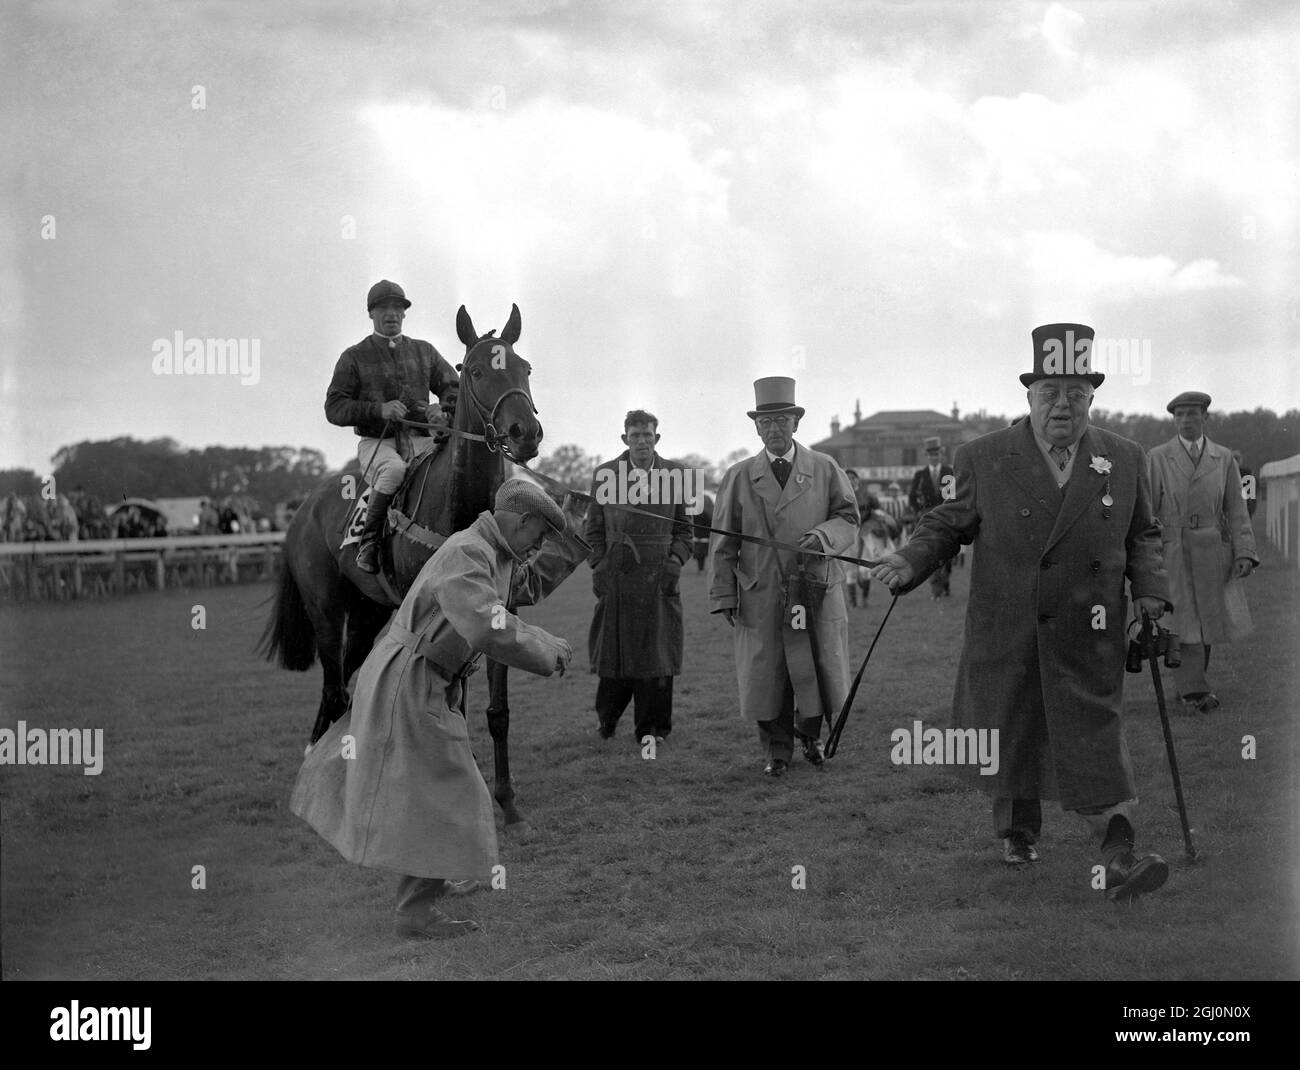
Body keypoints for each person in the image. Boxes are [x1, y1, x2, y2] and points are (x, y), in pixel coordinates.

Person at [871, 323, 1173, 901]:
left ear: (1092, 397)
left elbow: (1145, 534)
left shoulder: (1126, 458)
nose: (1062, 405)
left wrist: (1152, 594)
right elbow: (947, 522)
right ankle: (1018, 834)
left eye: (1075, 393)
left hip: (1091, 630)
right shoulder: (983, 457)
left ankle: (1118, 856)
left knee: (1095, 740)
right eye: (1049, 392)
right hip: (1009, 626)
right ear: (1028, 396)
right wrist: (911, 561)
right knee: (1014, 729)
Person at [290, 479, 587, 938]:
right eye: (542, 535)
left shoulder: (495, 553)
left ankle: (430, 881)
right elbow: (487, 626)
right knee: (449, 789)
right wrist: (549, 648)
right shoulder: (468, 552)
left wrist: (577, 536)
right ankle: (415, 911)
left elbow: (523, 589)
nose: (540, 546)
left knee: (431, 789)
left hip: (430, 678)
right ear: (522, 520)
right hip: (410, 680)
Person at [709, 377, 859, 777]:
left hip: (815, 589)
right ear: (756, 427)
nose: (774, 429)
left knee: (815, 665)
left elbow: (848, 519)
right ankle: (776, 751)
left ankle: (809, 737)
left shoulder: (825, 468)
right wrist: (724, 594)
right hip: (761, 594)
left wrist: (823, 536)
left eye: (782, 420)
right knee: (767, 675)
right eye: (766, 422)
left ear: (796, 423)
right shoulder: (738, 476)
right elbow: (722, 543)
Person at [325, 279, 460, 574]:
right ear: (371, 313)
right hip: (378, 443)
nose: (392, 314)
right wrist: (378, 410)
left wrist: (443, 410)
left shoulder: (425, 351)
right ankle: (369, 540)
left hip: (424, 440)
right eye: (384, 308)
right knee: (394, 471)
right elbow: (334, 408)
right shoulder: (353, 357)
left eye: (398, 308)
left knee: (453, 467)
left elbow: (453, 387)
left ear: (404, 314)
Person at [585, 410, 694, 745]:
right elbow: (593, 530)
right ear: (625, 439)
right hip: (617, 576)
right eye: (635, 436)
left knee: (656, 656)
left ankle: (653, 730)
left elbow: (686, 532)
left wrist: (674, 562)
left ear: (657, 438)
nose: (642, 442)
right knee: (614, 655)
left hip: (659, 578)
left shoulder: (678, 475)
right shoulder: (605, 474)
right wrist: (599, 564)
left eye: (648, 435)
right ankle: (608, 720)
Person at [1147, 392, 1257, 713]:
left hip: (1211, 550)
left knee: (1207, 622)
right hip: (1173, 550)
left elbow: (1237, 510)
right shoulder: (1158, 457)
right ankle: (1192, 691)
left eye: (1192, 414)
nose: (1185, 421)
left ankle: (1192, 686)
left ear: (1205, 417)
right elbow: (1147, 510)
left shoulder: (1223, 459)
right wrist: (1150, 554)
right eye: (1179, 415)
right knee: (1182, 622)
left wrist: (1244, 552)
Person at [908, 437, 955, 598]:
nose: (934, 457)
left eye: (936, 454)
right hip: (928, 519)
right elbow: (912, 497)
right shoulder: (920, 475)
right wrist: (919, 511)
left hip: (947, 519)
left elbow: (956, 495)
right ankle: (936, 589)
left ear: (941, 454)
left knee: (947, 555)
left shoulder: (949, 472)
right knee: (932, 553)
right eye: (931, 455)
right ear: (926, 456)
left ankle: (945, 582)